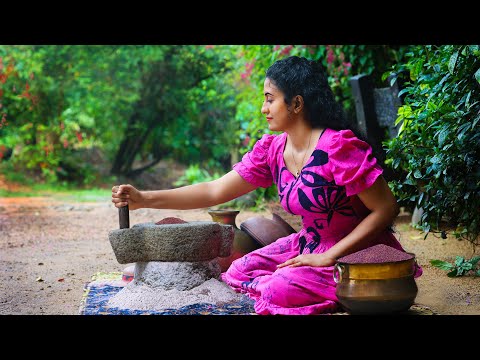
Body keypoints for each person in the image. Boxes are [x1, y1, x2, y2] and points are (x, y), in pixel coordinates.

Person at [111, 55, 422, 315]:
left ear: (296, 103)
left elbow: (386, 209)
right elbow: (214, 190)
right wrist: (143, 198)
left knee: (279, 287)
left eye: (270, 99)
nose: (264, 108)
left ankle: (326, 287)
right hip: (307, 244)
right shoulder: (273, 150)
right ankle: (300, 284)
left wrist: (328, 257)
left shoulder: (339, 148)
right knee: (237, 271)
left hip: (355, 251)